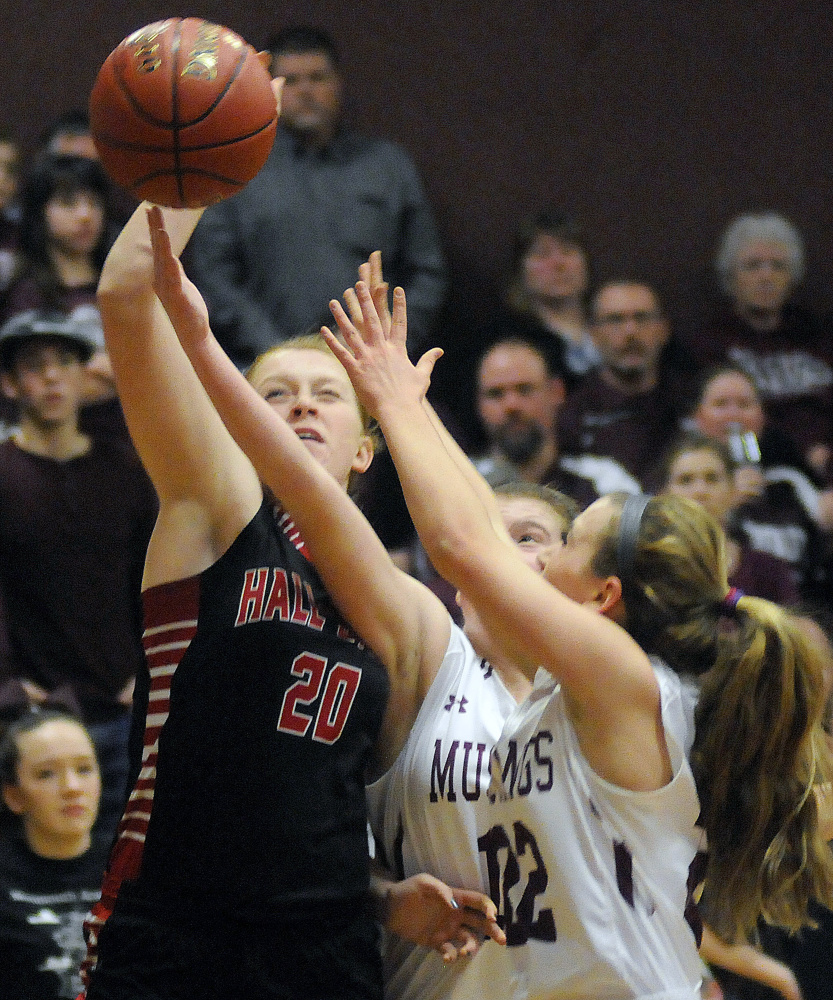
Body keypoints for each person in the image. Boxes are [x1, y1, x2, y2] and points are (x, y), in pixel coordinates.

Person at [321, 277, 833, 997]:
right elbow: (478, 523)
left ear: (603, 595)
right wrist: (410, 399)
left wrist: (394, 404)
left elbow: (463, 544)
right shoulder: (576, 684)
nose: (531, 558)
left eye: (565, 545)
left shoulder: (618, 675)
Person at [187, 25, 447, 370]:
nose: (306, 91)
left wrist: (382, 346)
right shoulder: (237, 171)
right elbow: (214, 278)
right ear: (268, 89)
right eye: (291, 81)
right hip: (262, 370)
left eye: (317, 78)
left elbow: (426, 273)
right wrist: (283, 354)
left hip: (377, 368)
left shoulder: (386, 166)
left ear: (338, 83)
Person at [0, 310, 158, 843]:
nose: (51, 378)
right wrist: (9, 685)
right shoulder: (3, 473)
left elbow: (152, 575)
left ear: (85, 375)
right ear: (10, 382)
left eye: (64, 363)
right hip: (36, 713)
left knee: (127, 864)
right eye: (35, 367)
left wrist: (149, 668)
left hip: (124, 700)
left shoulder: (123, 468)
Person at [688, 213, 833, 484]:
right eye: (753, 266)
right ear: (731, 277)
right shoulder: (709, 344)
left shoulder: (819, 337)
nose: (766, 276)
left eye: (777, 266)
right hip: (754, 470)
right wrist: (798, 454)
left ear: (792, 277)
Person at [0, 153, 122, 438]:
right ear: (40, 211)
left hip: (120, 442)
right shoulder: (24, 293)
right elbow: (43, 389)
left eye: (94, 203)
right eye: (68, 203)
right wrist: (126, 372)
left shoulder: (122, 285)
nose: (85, 215)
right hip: (44, 445)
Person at [686, 363, 833, 600]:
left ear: (762, 416)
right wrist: (725, 504)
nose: (734, 416)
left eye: (745, 405)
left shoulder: (788, 478)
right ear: (698, 417)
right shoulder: (681, 477)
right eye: (721, 405)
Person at [0, 707, 109, 999]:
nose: (72, 787)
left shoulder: (131, 867)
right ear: (13, 795)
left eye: (84, 769)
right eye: (46, 774)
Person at [559, 279, 700, 485]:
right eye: (615, 320)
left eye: (642, 318)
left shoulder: (692, 403)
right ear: (593, 334)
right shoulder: (571, 416)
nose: (630, 331)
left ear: (663, 329)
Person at [472, 332, 640, 500]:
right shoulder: (461, 483)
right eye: (495, 394)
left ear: (556, 392)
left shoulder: (607, 484)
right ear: (478, 403)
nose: (511, 405)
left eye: (524, 389)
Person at [659, 432, 800, 606]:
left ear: (733, 491)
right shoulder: (650, 570)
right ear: (664, 495)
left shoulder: (768, 571)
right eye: (685, 480)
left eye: (712, 479)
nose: (700, 491)